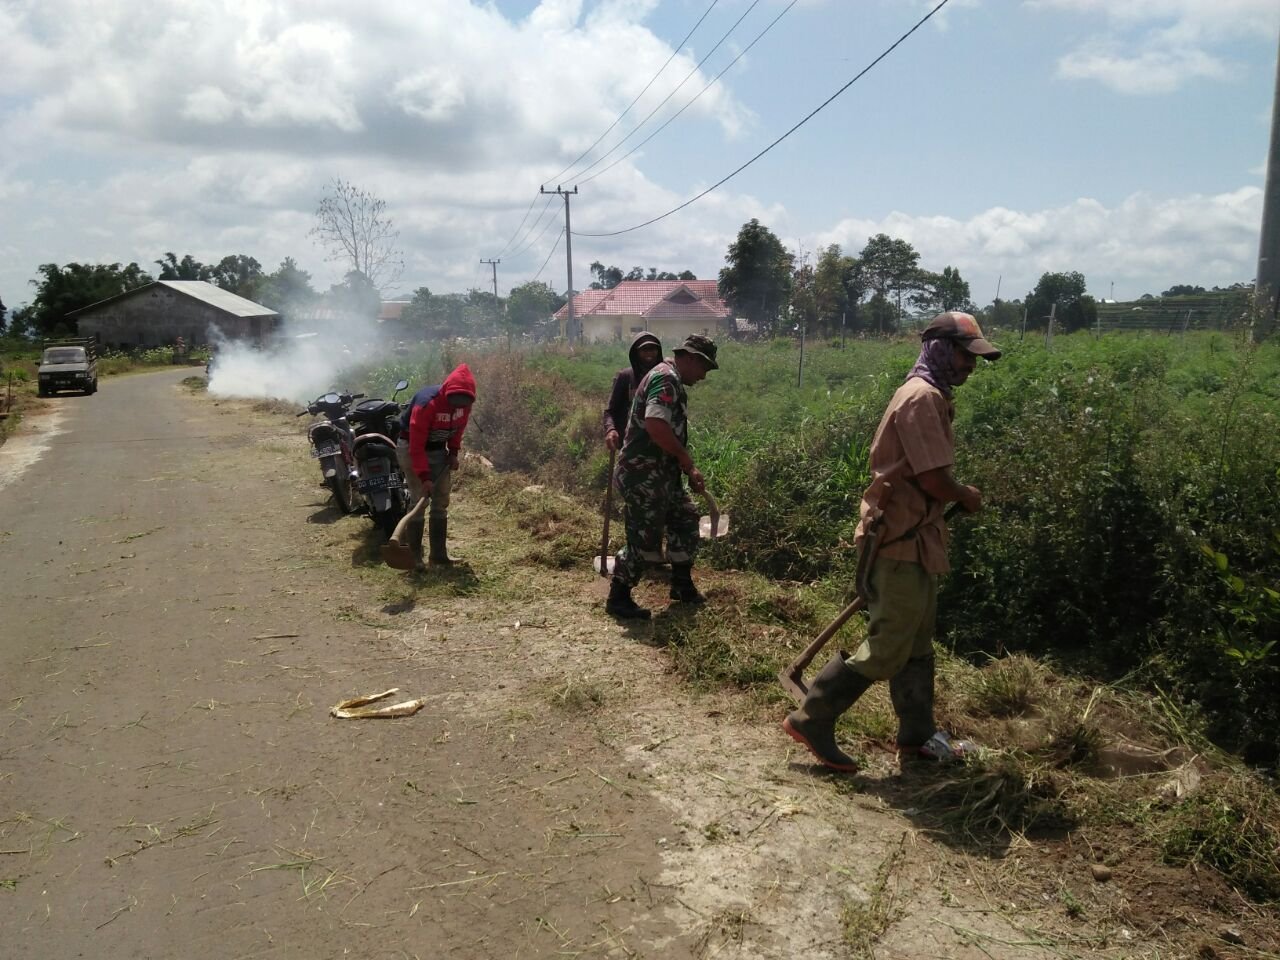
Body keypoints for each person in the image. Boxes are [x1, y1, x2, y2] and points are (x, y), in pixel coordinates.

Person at [783, 312, 1001, 771]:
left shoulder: (933, 395)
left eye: (975, 358)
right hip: (899, 541)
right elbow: (934, 478)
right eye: (965, 355)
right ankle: (812, 718)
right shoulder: (922, 397)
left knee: (916, 643)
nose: (971, 366)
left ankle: (917, 736)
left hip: (917, 539)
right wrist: (965, 495)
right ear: (941, 350)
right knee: (887, 648)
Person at [607, 334, 719, 620]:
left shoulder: (670, 378)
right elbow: (656, 424)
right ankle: (619, 597)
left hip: (662, 474)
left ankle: (681, 585)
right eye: (704, 368)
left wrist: (683, 467)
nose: (704, 376)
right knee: (644, 537)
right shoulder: (666, 379)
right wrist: (686, 459)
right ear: (691, 359)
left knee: (685, 519)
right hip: (643, 474)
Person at [394, 364, 477, 570]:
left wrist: (453, 452)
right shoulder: (426, 403)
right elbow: (416, 446)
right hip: (412, 448)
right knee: (419, 501)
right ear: (447, 392)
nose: (458, 405)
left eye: (463, 402)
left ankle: (438, 556)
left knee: (441, 501)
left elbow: (458, 429)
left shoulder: (465, 405)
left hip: (438, 450)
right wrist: (424, 477)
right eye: (455, 400)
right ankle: (414, 557)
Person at [603, 332, 663, 452]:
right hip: (631, 447)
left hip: (659, 447)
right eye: (644, 349)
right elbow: (610, 411)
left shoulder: (664, 378)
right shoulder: (625, 377)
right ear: (636, 353)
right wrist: (611, 429)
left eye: (652, 349)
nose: (649, 353)